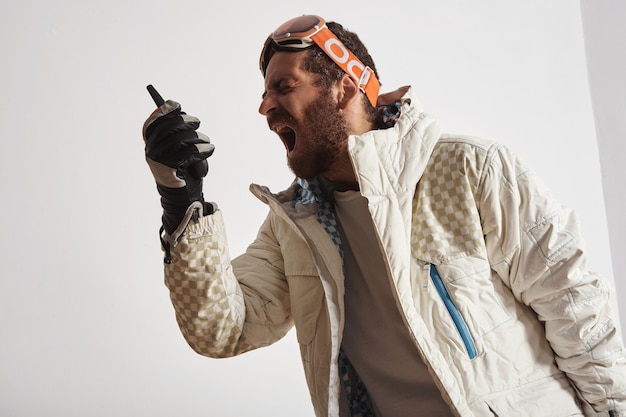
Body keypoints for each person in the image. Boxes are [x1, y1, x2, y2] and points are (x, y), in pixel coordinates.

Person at [141, 14, 626, 417]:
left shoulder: (467, 168)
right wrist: (181, 200)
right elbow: (224, 329)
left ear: (345, 88)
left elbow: (573, 304)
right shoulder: (294, 227)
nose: (266, 106)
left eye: (283, 87)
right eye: (265, 94)